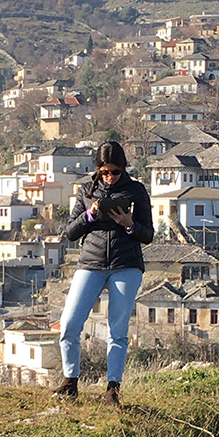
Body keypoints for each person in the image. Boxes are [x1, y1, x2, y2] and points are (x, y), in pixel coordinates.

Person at [54, 141, 153, 405]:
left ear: (123, 168)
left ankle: (112, 390)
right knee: (69, 324)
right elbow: (70, 232)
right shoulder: (87, 190)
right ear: (98, 169)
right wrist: (90, 215)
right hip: (90, 262)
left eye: (115, 171)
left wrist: (130, 225)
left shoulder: (136, 191)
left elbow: (148, 234)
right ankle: (70, 382)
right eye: (105, 171)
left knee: (117, 331)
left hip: (126, 263)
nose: (110, 176)